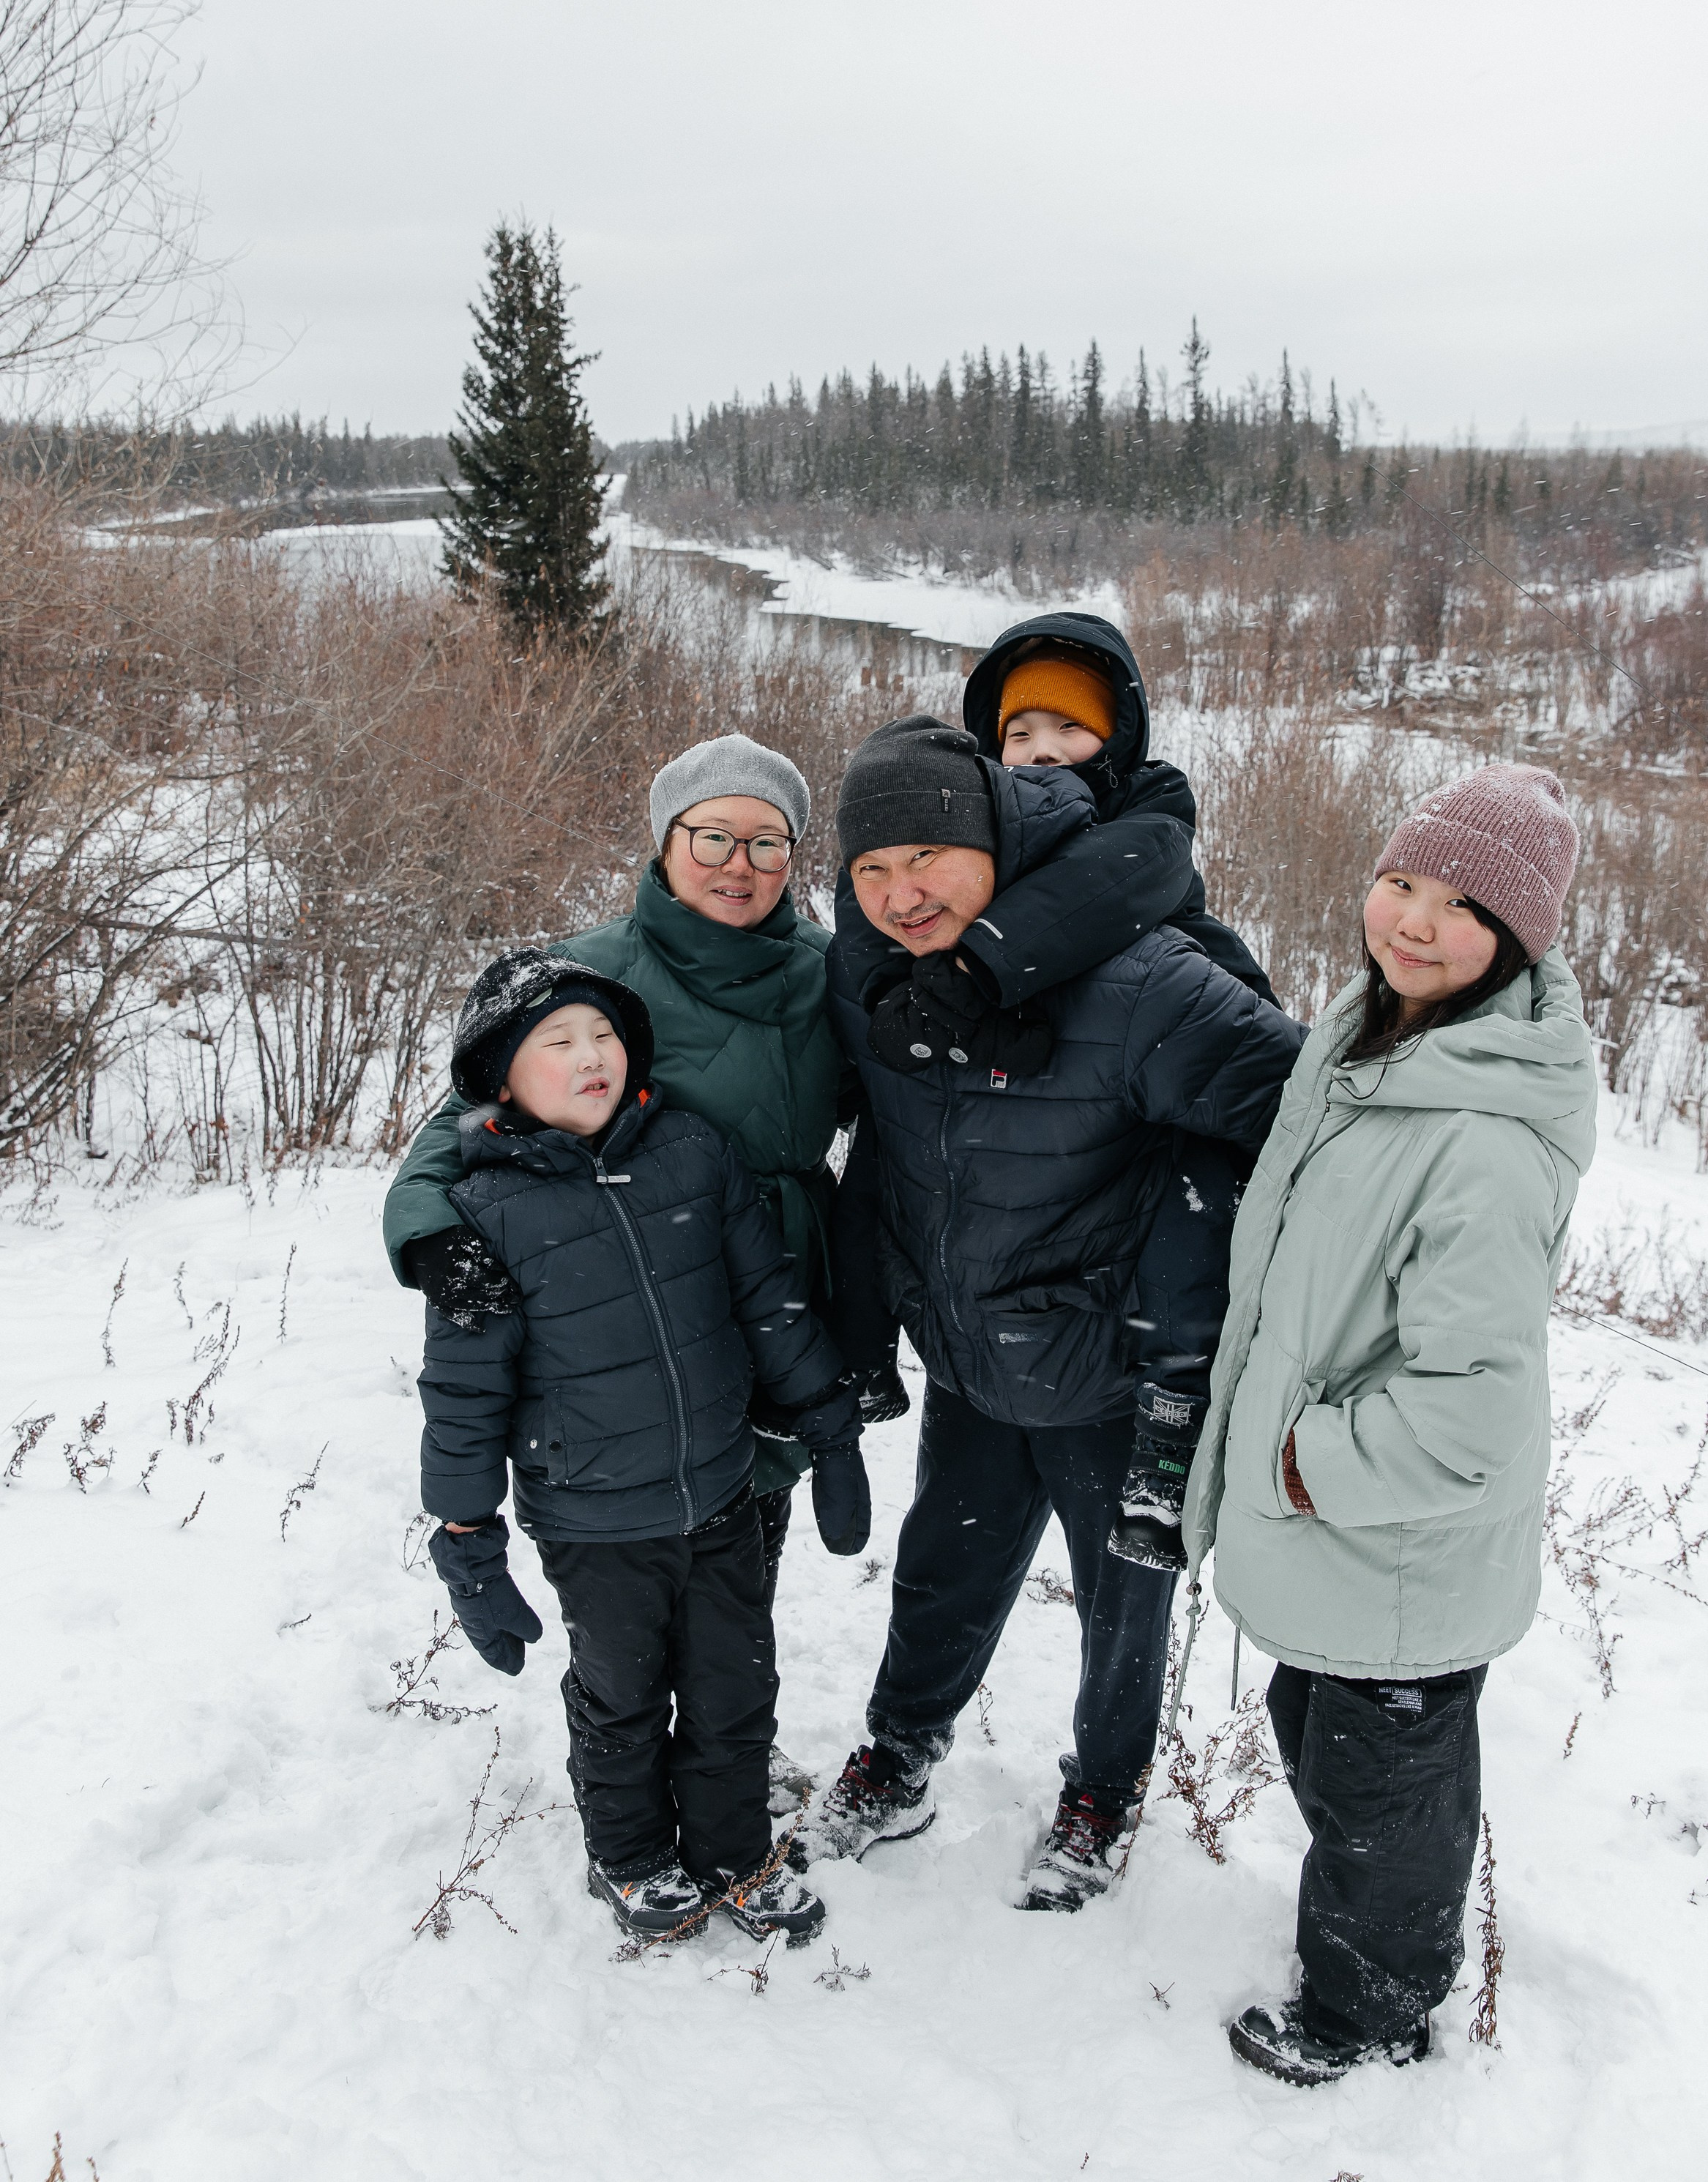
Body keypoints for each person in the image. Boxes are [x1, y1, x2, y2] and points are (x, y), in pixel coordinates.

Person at [800, 714, 1305, 1910]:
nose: (897, 891)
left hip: (1111, 1380)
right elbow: (878, 1152)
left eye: (924, 856)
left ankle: (1104, 1790)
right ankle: (901, 1751)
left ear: (989, 838)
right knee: (939, 1572)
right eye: (869, 868)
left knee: (1121, 1607)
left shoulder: (1134, 983)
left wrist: (1185, 1254)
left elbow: (1297, 1108)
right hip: (971, 1365)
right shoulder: (874, 975)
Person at [1182, 763, 1596, 2085]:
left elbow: (1470, 1416)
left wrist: (1303, 1462)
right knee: (1329, 1748)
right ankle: (1375, 1954)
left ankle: (1367, 2022)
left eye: (1459, 905)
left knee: (1385, 1805)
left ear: (1514, 939)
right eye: (1401, 882)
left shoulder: (1474, 1134)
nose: (1412, 921)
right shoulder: (1376, 1039)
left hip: (1391, 1547)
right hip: (1347, 1548)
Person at [384, 733, 904, 1637]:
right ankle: (626, 1727)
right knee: (642, 1542)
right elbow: (461, 1118)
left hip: (781, 1273)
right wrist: (432, 1232)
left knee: (747, 1530)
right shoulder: (593, 974)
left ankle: (726, 1719)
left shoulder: (830, 972)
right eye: (712, 836)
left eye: (767, 842)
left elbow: (902, 1107)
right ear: (666, 842)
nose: (738, 866)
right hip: (638, 1283)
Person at [411, 948, 870, 1948]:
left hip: (719, 1495)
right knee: (623, 1698)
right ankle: (629, 1856)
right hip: (593, 1517)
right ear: (500, 1076)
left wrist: (829, 1424)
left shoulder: (691, 1154)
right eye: (558, 1042)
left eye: (606, 1034)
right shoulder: (481, 1216)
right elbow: (461, 1396)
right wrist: (465, 1540)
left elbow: (769, 1304)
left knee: (735, 1688)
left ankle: (734, 1851)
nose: (591, 1057)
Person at [833, 613, 1278, 1573]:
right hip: (983, 1302)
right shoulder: (945, 859)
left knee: (1195, 1186)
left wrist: (995, 975)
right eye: (1018, 737)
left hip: (1115, 1250)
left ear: (1117, 739)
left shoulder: (1148, 846)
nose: (1044, 757)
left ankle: (1174, 1407)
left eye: (1069, 732)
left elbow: (1253, 1056)